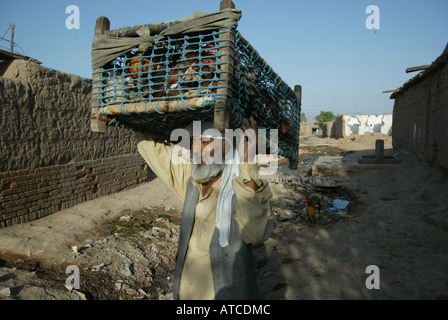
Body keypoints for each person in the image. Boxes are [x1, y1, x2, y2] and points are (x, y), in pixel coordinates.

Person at [137, 116, 272, 300]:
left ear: (227, 147)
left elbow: (256, 234)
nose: (197, 149)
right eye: (194, 142)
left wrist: (248, 162)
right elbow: (152, 149)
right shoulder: (191, 182)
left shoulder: (241, 186)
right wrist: (129, 117)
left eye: (207, 141)